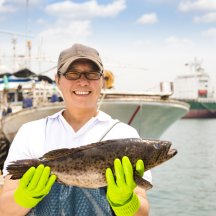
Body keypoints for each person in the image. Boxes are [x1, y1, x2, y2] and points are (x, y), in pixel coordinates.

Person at [0, 43, 152, 216]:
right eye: (73, 74)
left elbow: (142, 211)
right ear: (57, 79)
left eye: (92, 74)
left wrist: (125, 202)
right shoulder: (31, 132)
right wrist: (24, 197)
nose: (83, 81)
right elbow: (4, 211)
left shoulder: (125, 135)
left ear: (102, 80)